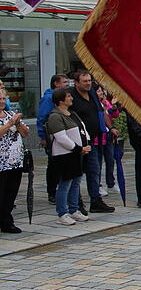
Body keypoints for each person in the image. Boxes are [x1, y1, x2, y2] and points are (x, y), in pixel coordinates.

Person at [69, 71, 113, 213]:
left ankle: (96, 200)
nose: (88, 83)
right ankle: (76, 203)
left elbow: (101, 111)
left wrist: (110, 128)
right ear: (76, 82)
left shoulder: (92, 92)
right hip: (77, 141)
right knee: (76, 173)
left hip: (93, 139)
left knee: (94, 170)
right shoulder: (70, 95)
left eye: (89, 80)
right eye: (85, 81)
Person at [47, 89, 90, 226]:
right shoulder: (55, 116)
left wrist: (86, 144)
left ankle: (74, 209)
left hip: (76, 154)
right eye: (68, 96)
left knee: (76, 182)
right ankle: (62, 213)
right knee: (65, 184)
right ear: (60, 100)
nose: (71, 98)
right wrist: (78, 148)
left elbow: (82, 128)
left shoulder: (72, 113)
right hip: (65, 155)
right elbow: (61, 138)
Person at [0, 81, 28, 234]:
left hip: (14, 161)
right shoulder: (8, 119)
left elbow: (25, 133)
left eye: (4, 99)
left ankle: (6, 221)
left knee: (11, 193)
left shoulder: (11, 114)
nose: (2, 102)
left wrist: (18, 124)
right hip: (1, 162)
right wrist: (9, 123)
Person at [37, 74, 69, 205]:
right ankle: (52, 191)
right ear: (56, 83)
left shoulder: (62, 98)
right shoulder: (48, 98)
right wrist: (43, 136)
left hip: (63, 134)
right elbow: (42, 118)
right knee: (53, 165)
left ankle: (62, 190)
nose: (67, 84)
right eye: (64, 82)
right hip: (51, 136)